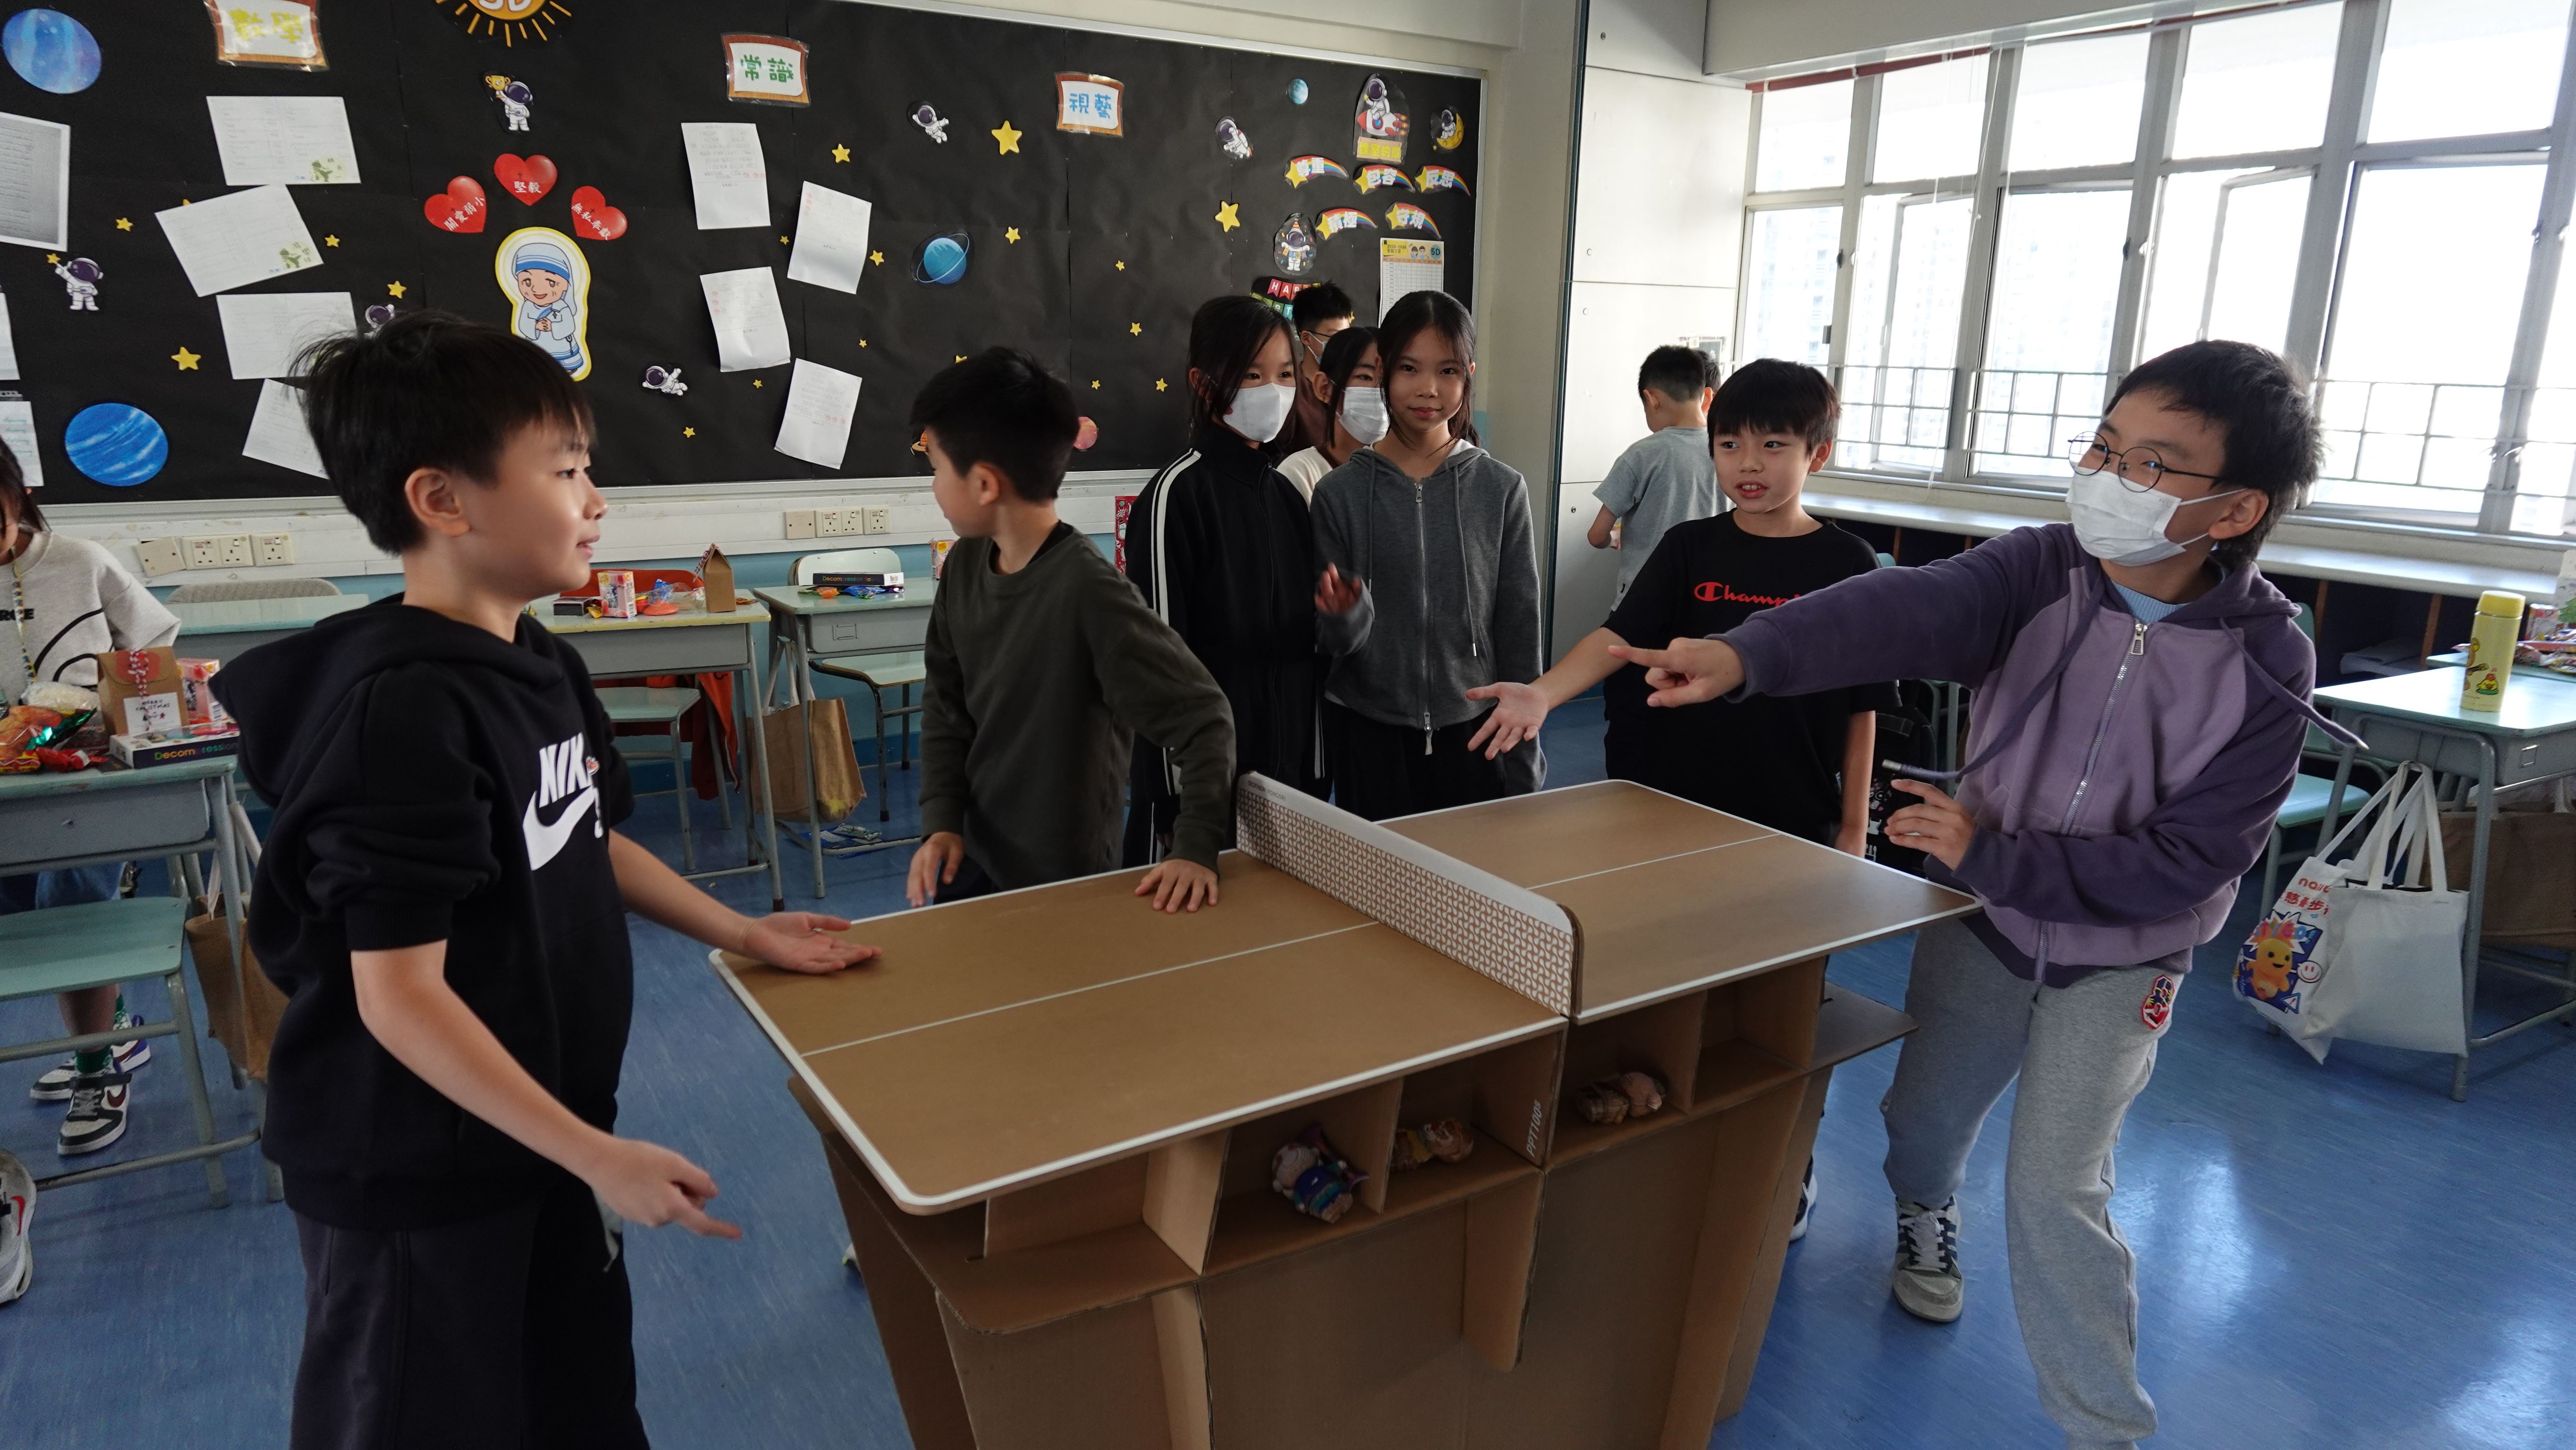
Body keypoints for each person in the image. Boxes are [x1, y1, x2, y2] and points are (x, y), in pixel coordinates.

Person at [1611, 340, 2346, 1450]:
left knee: (2058, 1187)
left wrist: (1994, 853)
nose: (2109, 478)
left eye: (2151, 464)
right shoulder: (2039, 571)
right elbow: (1894, 609)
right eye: (2103, 448)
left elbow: (2193, 861)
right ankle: (1924, 1208)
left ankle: (2105, 1429)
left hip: (2125, 956)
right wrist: (1745, 656)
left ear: (2236, 509)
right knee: (1921, 1121)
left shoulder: (2267, 661)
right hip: (1983, 926)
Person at [214, 310, 878, 1446]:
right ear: (443, 499)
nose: (597, 499)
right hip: (422, 1174)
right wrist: (593, 1155)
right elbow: (398, 996)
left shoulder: (540, 659)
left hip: (540, 1132)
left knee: (577, 1406)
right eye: (566, 471)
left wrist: (742, 931)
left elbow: (583, 835)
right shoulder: (402, 713)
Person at [1465, 359, 1883, 854]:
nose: (1748, 463)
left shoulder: (1848, 562)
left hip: (1794, 805)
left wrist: (1854, 826)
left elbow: (1862, 705)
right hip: (1679, 796)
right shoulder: (1689, 546)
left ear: (1818, 453)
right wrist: (1543, 694)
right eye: (1730, 445)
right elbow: (1619, 634)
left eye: (1772, 445)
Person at [905, 347, 1235, 913]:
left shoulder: (1090, 593)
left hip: (1064, 884)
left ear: (983, 483)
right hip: (970, 860)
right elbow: (945, 703)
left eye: (936, 467)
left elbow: (1205, 720)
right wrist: (942, 821)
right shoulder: (963, 565)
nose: (934, 485)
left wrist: (1196, 846)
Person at [1311, 290, 1542, 820]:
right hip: (1369, 731)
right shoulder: (1339, 494)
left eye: (1448, 370)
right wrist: (1345, 616)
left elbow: (1519, 627)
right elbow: (1330, 644)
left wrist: (1525, 757)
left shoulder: (1501, 489)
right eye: (1410, 368)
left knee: (1474, 867)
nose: (1428, 389)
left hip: (1477, 726)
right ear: (1384, 371)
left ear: (1469, 375)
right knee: (1377, 869)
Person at [2, 454, 175, 1156]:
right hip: (9, 783)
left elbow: (154, 641)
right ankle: (114, 1032)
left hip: (91, 779)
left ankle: (98, 1066)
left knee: (72, 902)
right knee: (26, 916)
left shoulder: (80, 562)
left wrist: (112, 712)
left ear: (19, 497)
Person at [1123, 297, 1325, 867]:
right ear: (1203, 382)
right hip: (1199, 794)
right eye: (1252, 375)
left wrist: (1337, 615)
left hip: (1285, 781)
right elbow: (1157, 664)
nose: (1273, 391)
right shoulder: (1174, 495)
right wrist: (1175, 802)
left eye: (1285, 374)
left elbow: (1304, 644)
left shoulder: (1286, 495)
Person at [1587, 345, 1717, 602]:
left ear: (1653, 400)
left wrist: (1613, 538)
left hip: (1645, 599)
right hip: (1705, 596)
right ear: (1704, 395)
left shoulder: (1642, 454)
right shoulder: (1727, 450)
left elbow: (1596, 535)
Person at [1276, 326, 1382, 501]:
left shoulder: (1408, 474)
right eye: (1365, 377)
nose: (1380, 391)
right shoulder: (1299, 474)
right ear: (1324, 388)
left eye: (1388, 380)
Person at [1277, 281, 1358, 458]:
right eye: (1336, 337)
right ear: (1307, 338)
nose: (1345, 345)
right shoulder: (1289, 392)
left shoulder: (1356, 387)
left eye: (1347, 336)